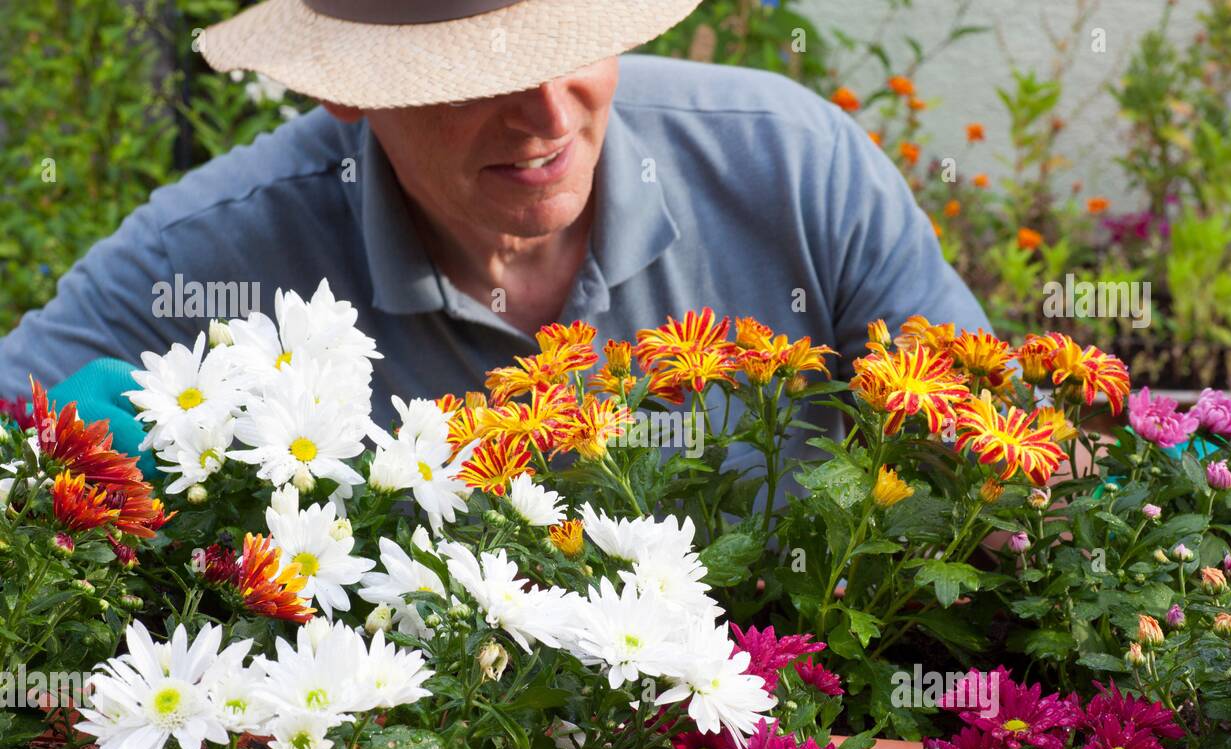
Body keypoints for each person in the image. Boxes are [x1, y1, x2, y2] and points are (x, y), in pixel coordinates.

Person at [0, 0, 989, 473]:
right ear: (348, 88)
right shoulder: (214, 257)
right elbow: (16, 432)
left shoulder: (792, 170)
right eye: (478, 72)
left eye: (572, 41)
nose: (549, 114)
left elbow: (1017, 466)